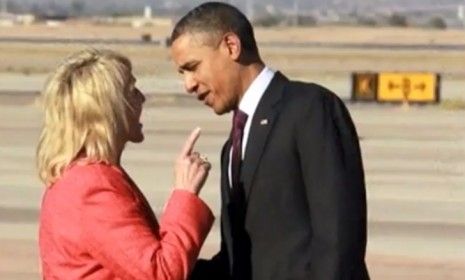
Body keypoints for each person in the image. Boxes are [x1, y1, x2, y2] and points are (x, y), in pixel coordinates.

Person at [170, 2, 369, 279]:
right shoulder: (232, 149)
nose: (188, 84)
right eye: (182, 74)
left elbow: (339, 240)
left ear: (231, 46)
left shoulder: (309, 108)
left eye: (193, 67)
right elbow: (238, 261)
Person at [37, 48, 214, 280]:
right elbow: (161, 272)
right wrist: (185, 193)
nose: (141, 98)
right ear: (110, 108)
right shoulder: (91, 188)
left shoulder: (82, 176)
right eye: (132, 91)